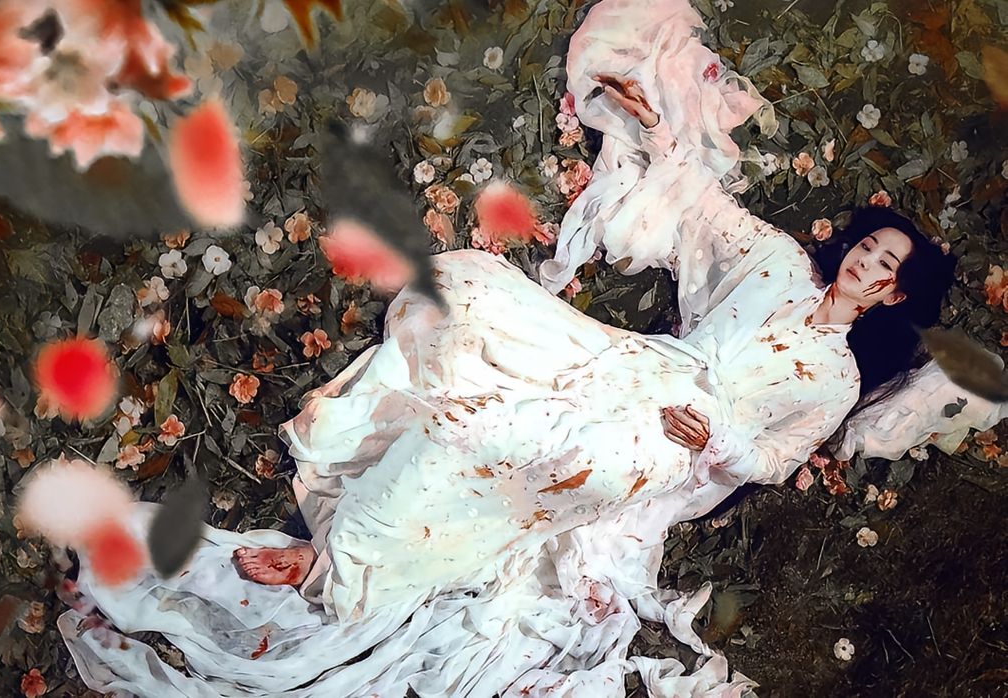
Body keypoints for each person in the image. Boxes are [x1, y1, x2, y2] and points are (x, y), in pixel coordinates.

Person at [59, 1, 964, 696]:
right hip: (630, 363)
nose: (863, 262)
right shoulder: (775, 263)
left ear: (891, 295)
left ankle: (340, 567)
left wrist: (716, 441)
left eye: (883, 266)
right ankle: (349, 538)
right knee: (466, 294)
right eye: (867, 246)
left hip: (665, 441)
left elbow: (773, 458)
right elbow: (700, 206)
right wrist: (654, 126)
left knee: (497, 439)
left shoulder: (833, 376)